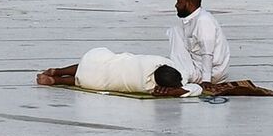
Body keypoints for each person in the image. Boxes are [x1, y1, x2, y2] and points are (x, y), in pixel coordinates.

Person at [38, 49, 191, 96]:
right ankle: (56, 81)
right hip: (101, 80)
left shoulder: (159, 60)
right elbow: (191, 90)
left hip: (115, 63)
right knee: (86, 79)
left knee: (92, 63)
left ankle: (57, 71)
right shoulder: (148, 87)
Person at [166, 0, 229, 84]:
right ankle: (182, 72)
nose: (176, 5)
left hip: (212, 73)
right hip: (198, 66)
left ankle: (182, 75)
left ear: (189, 4)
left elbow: (207, 52)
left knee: (175, 33)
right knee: (175, 31)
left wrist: (206, 80)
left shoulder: (203, 21)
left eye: (179, 2)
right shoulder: (192, 19)